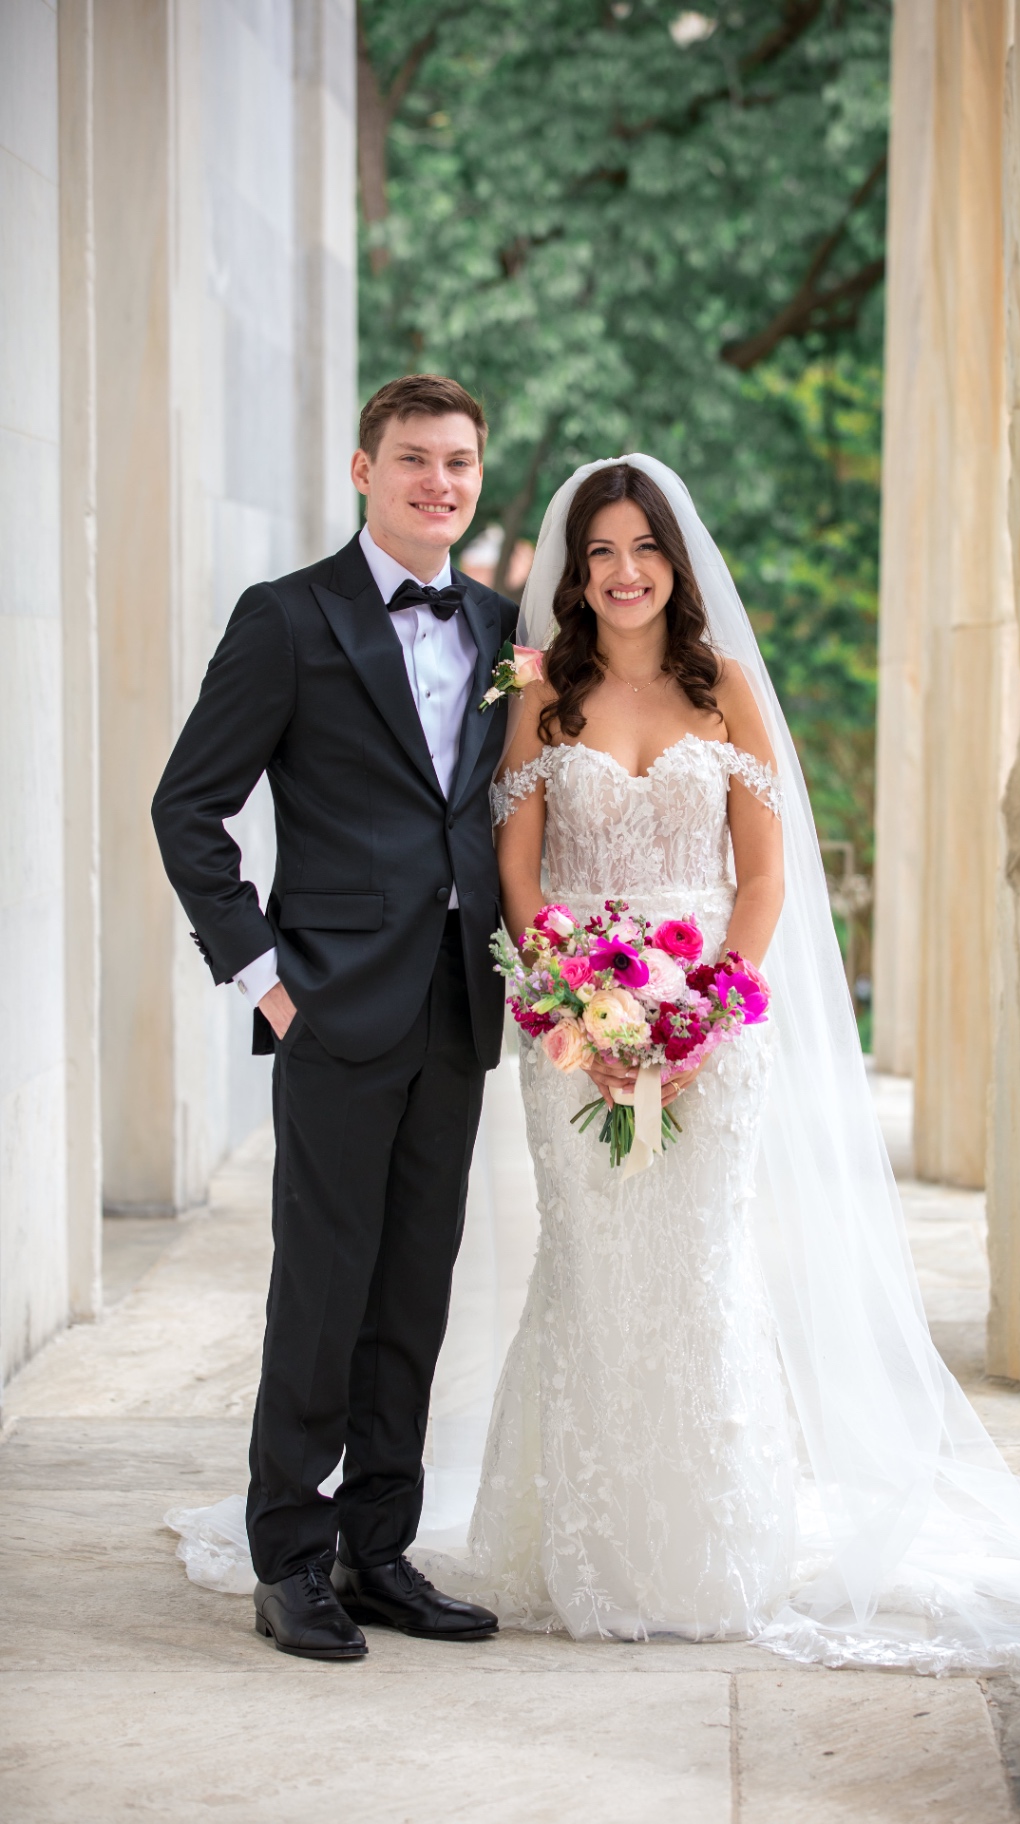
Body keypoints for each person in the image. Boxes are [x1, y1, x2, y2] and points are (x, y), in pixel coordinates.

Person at [431, 455, 1020, 1672]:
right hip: (570, 1032)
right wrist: (572, 1010)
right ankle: (583, 1545)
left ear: (677, 560)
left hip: (713, 1023)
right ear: (576, 568)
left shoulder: (729, 696)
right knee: (595, 1271)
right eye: (598, 551)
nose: (620, 573)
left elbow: (761, 876)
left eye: (641, 549)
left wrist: (705, 1014)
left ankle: (710, 1547)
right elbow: (516, 875)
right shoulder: (538, 696)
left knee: (698, 1267)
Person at [152, 375, 512, 1660]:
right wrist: (266, 979)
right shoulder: (287, 619)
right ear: (363, 471)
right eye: (413, 459)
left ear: (480, 475)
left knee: (414, 1288)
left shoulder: (504, 626)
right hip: (332, 1007)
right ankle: (289, 1558)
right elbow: (186, 807)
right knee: (321, 1289)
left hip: (460, 1006)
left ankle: (379, 1549)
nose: (438, 482)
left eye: (458, 462)